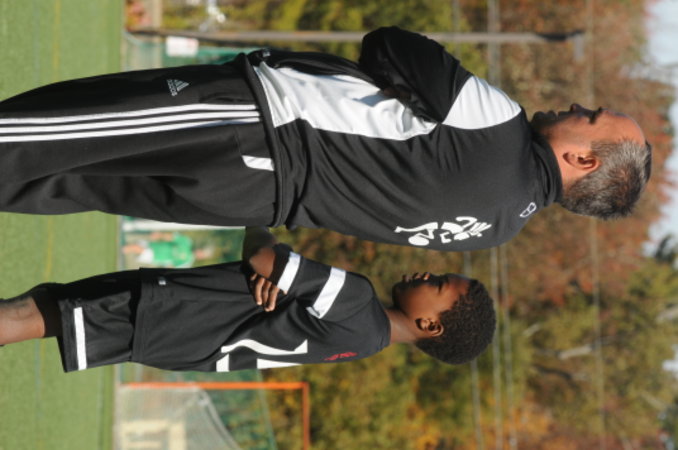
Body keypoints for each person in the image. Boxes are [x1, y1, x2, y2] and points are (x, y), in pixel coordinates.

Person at [0, 27, 651, 251]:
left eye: (591, 113)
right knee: (57, 183)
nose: (577, 105)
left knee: (43, 134)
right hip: (246, 199)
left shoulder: (499, 124)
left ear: (582, 158)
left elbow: (389, 45)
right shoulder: (497, 229)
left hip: (244, 124)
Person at [0, 228, 496, 372]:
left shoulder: (356, 300)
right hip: (180, 337)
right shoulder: (365, 342)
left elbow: (262, 256)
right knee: (44, 305)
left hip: (173, 312)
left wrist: (263, 225)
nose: (427, 272)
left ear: (430, 326)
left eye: (438, 283)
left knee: (27, 315)